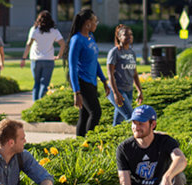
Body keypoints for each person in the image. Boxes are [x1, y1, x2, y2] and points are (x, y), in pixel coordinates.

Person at [88, 105, 187, 185]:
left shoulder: (165, 141)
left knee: (178, 177)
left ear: (153, 124)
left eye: (141, 123)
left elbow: (181, 160)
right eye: (134, 123)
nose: (136, 127)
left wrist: (167, 177)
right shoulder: (124, 148)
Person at [67, 9, 110, 137]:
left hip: (91, 80)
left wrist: (103, 80)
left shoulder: (91, 37)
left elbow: (94, 61)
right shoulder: (77, 39)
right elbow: (72, 66)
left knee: (85, 114)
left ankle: (80, 143)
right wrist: (76, 92)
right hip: (81, 81)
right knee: (96, 112)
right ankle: (89, 142)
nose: (96, 23)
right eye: (95, 21)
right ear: (87, 23)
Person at [20, 11, 65, 101]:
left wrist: (23, 58)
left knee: (36, 83)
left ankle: (35, 104)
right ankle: (41, 104)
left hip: (35, 60)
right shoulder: (54, 31)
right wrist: (59, 56)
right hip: (49, 60)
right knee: (44, 84)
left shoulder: (34, 30)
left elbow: (28, 44)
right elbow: (63, 44)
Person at [106, 24, 144, 126]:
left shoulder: (132, 53)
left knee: (118, 121)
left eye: (131, 34)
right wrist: (115, 93)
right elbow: (110, 74)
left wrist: (139, 91)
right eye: (125, 35)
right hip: (118, 90)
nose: (129, 37)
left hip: (129, 90)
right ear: (119, 37)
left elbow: (134, 74)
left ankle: (113, 139)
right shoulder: (114, 52)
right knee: (131, 116)